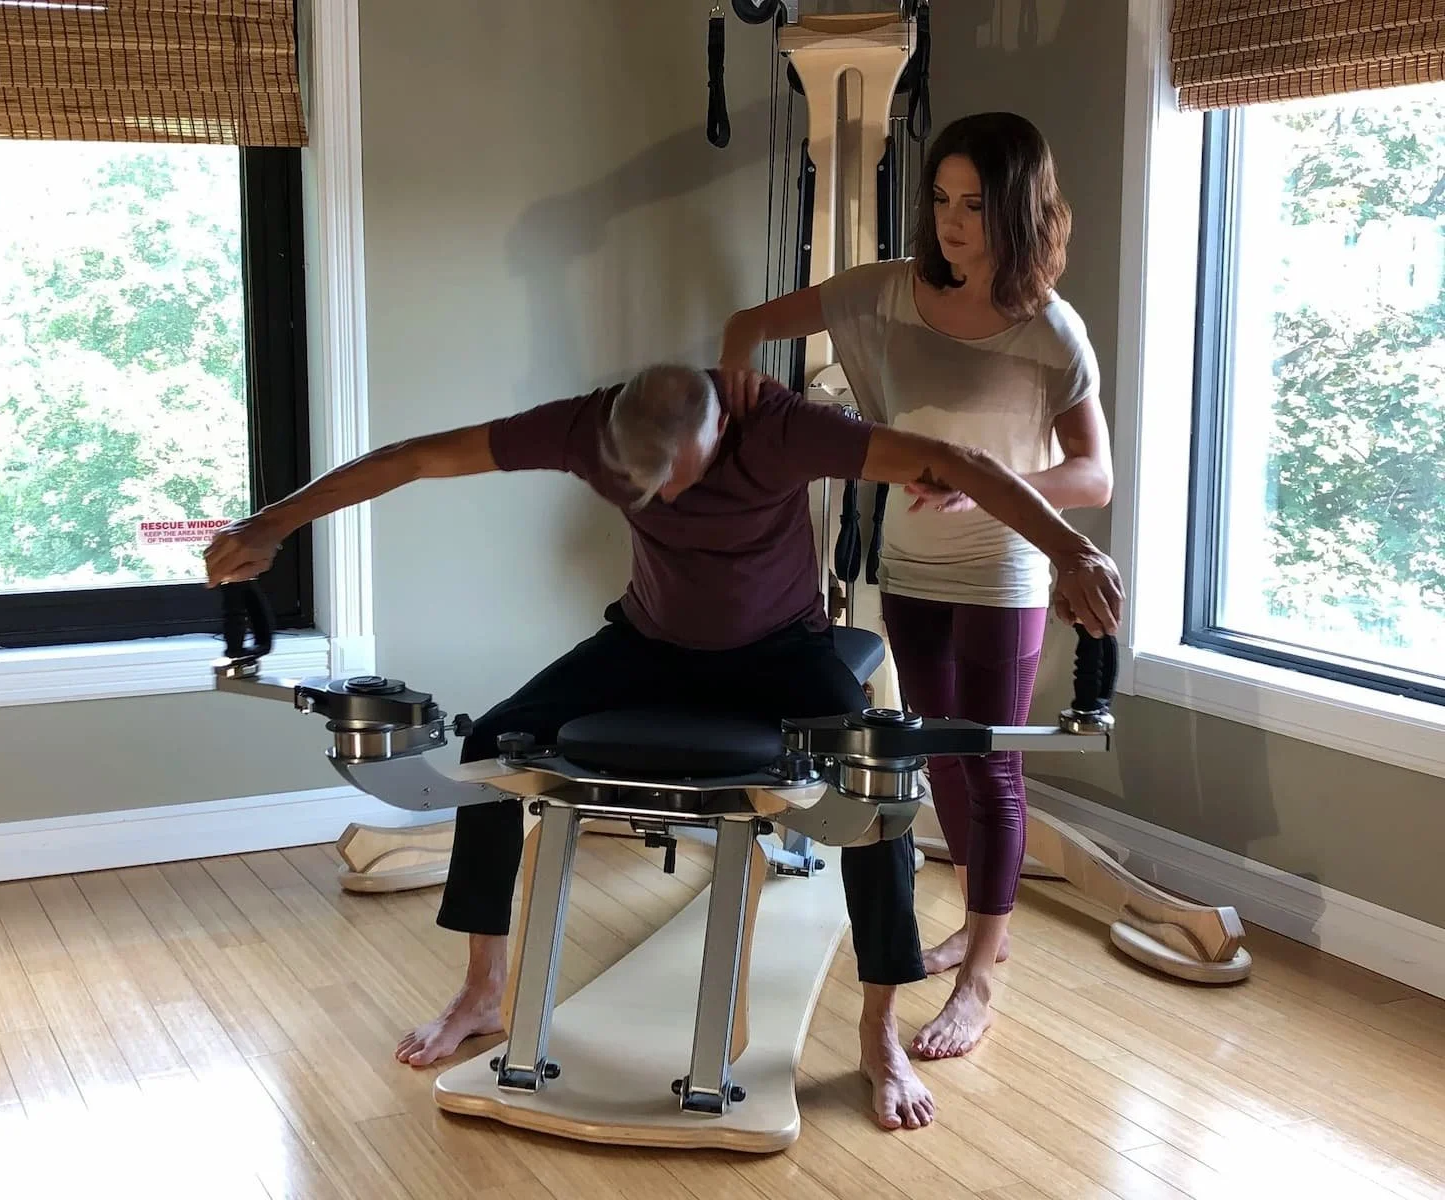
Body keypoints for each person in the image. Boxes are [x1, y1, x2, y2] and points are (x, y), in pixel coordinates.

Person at [204, 362, 1121, 1130]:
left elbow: (953, 460)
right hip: (648, 644)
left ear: (720, 430)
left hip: (783, 653)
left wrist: (1072, 551)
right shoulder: (584, 427)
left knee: (880, 785)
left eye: (679, 475)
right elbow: (416, 458)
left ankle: (878, 1033)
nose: (665, 497)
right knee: (491, 744)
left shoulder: (783, 427)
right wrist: (273, 523)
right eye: (644, 484)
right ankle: (483, 989)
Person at [718, 111, 1113, 1062]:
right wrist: (739, 405)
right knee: (937, 760)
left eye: (974, 204)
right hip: (908, 570)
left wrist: (984, 493)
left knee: (991, 766)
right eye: (940, 199)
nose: (951, 221)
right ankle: (989, 923)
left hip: (1005, 574)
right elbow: (748, 326)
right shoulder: (882, 296)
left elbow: (1094, 476)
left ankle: (981, 969)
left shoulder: (1052, 332)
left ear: (1017, 209)